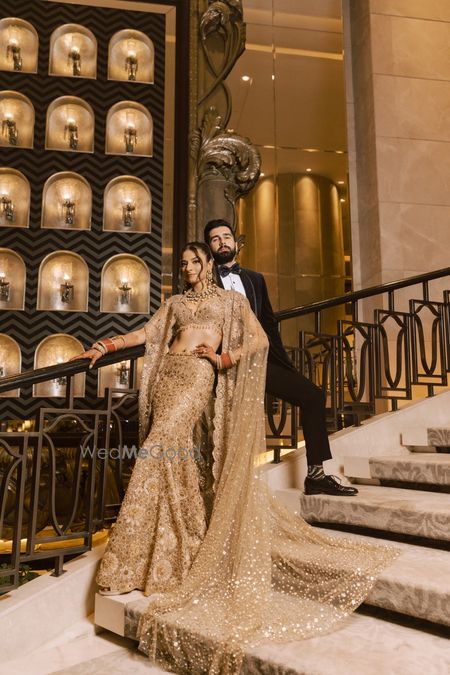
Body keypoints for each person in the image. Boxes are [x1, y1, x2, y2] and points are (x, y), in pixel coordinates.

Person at [73, 242, 396, 674]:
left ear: (208, 263)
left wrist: (224, 358)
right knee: (171, 456)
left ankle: (144, 552)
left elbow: (259, 340)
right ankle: (173, 550)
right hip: (169, 373)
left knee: (157, 449)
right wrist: (103, 346)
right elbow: (146, 335)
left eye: (194, 261)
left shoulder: (231, 301)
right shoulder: (175, 304)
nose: (187, 268)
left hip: (198, 376)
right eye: (182, 263)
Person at [204, 219, 357, 497]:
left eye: (226, 236)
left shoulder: (255, 279)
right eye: (215, 239)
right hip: (224, 366)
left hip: (260, 361)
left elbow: (268, 323)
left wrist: (284, 365)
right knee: (228, 429)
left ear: (235, 242)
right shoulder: (204, 280)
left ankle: (316, 475)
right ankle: (220, 491)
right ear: (209, 247)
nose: (222, 241)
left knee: (312, 395)